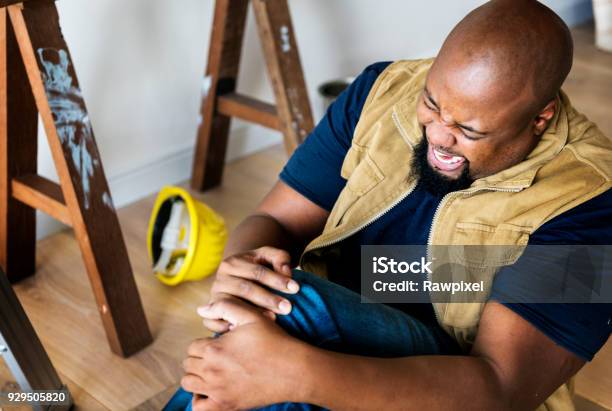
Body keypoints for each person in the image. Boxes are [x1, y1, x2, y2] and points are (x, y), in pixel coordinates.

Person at [166, 0, 612, 409]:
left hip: (451, 385)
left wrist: (296, 372)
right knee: (268, 320)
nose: (438, 135)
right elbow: (273, 219)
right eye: (431, 103)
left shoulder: (591, 202)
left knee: (291, 320)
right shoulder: (382, 89)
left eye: (469, 131)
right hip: (339, 317)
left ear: (540, 118)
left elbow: (499, 389)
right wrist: (244, 274)